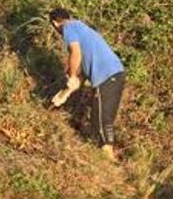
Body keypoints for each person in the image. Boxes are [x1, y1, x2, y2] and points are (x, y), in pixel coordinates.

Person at [49, 8, 125, 161]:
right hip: (116, 73)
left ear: (55, 23)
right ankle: (108, 156)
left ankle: (107, 158)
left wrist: (71, 76)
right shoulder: (82, 28)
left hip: (107, 75)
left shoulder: (68, 27)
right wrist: (67, 92)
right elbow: (83, 70)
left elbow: (75, 53)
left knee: (100, 117)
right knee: (104, 116)